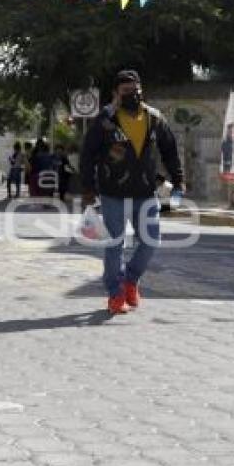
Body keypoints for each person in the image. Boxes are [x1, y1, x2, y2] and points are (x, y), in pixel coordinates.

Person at [79, 70, 183, 315]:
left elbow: (170, 150)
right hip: (112, 193)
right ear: (116, 93)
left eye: (136, 90)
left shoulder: (154, 118)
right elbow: (87, 155)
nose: (132, 95)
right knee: (115, 244)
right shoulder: (105, 120)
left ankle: (130, 280)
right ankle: (115, 294)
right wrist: (87, 188)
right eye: (126, 91)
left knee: (150, 241)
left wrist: (178, 179)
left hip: (146, 192)